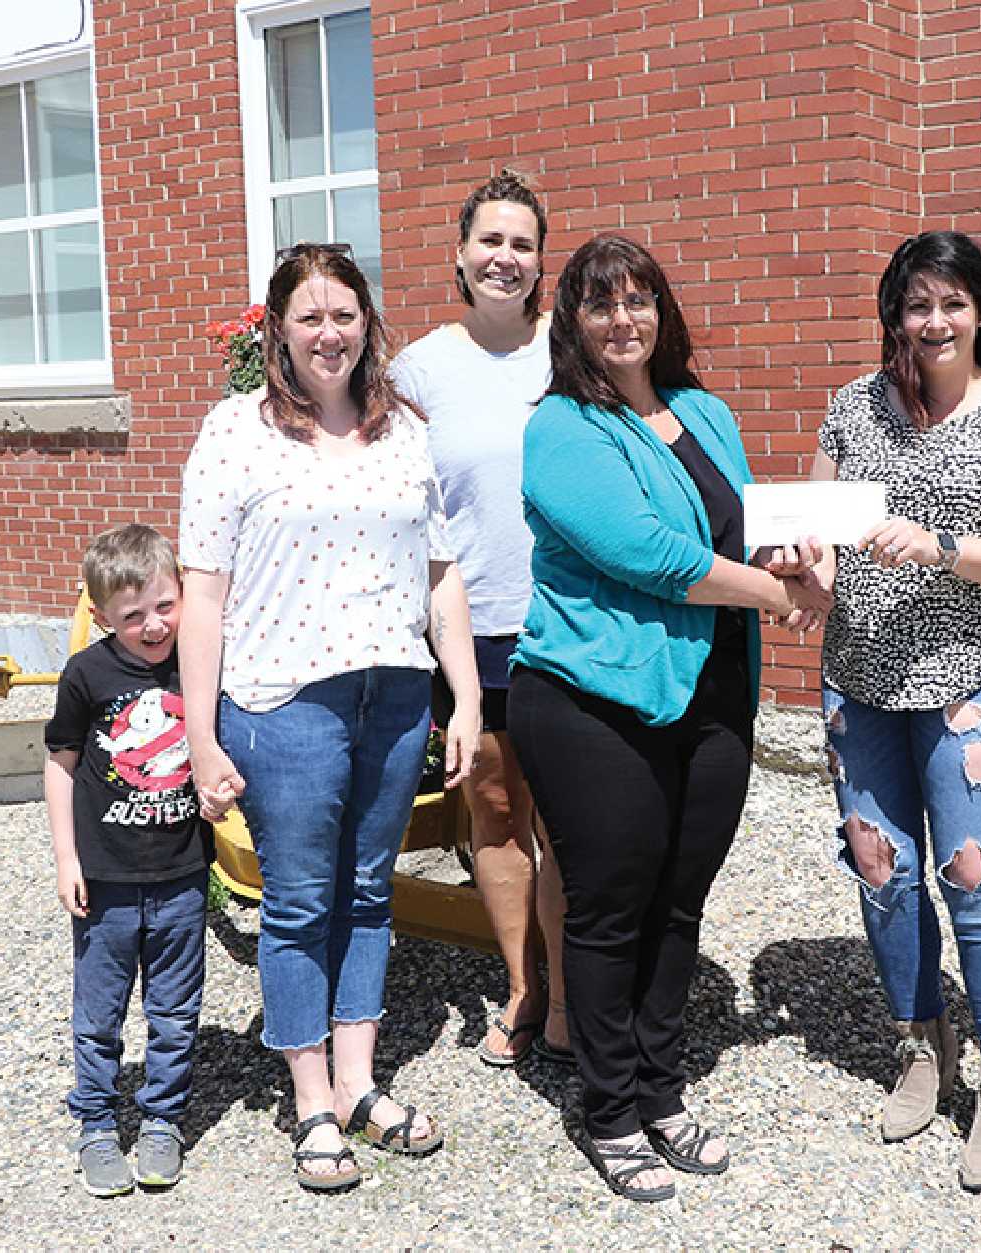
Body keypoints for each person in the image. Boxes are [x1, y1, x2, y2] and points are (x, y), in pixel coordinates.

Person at [507, 233, 830, 1203]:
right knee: (610, 909)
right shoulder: (559, 427)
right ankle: (608, 1108)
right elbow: (648, 554)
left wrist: (800, 560)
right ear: (572, 321)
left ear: (662, 312)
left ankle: (660, 1085)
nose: (623, 320)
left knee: (678, 900)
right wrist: (777, 601)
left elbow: (740, 530)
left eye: (638, 300)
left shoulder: (705, 411)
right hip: (594, 698)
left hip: (714, 693)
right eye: (601, 305)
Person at [178, 243, 482, 1194]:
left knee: (367, 893)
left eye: (344, 314)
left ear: (367, 324)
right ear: (277, 329)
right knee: (302, 900)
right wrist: (199, 735)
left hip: (392, 696)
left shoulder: (403, 432)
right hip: (284, 702)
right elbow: (204, 594)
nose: (328, 333)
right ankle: (308, 1096)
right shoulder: (235, 432)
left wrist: (463, 693)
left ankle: (358, 1082)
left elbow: (440, 574)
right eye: (308, 316)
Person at [809, 230, 981, 1192]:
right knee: (881, 870)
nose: (934, 322)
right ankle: (923, 1044)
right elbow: (830, 537)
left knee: (974, 875)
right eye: (918, 304)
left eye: (952, 303)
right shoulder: (853, 408)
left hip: (974, 678)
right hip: (861, 675)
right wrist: (804, 565)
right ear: (896, 313)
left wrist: (943, 545)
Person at [391, 171, 569, 1067]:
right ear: (460, 255)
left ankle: (574, 995)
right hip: (476, 630)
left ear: (542, 262)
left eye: (522, 244)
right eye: (490, 242)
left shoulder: (571, 352)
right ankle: (524, 987)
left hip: (575, 626)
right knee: (496, 815)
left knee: (571, 824)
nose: (505, 258)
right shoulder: (419, 369)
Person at [45, 524, 210, 1197]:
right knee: (99, 1012)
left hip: (181, 874)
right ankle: (95, 1122)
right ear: (104, 615)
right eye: (132, 614)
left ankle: (163, 1118)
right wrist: (66, 858)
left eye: (165, 605)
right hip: (106, 879)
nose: (153, 625)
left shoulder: (199, 661)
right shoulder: (87, 674)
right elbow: (60, 766)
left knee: (174, 1010)